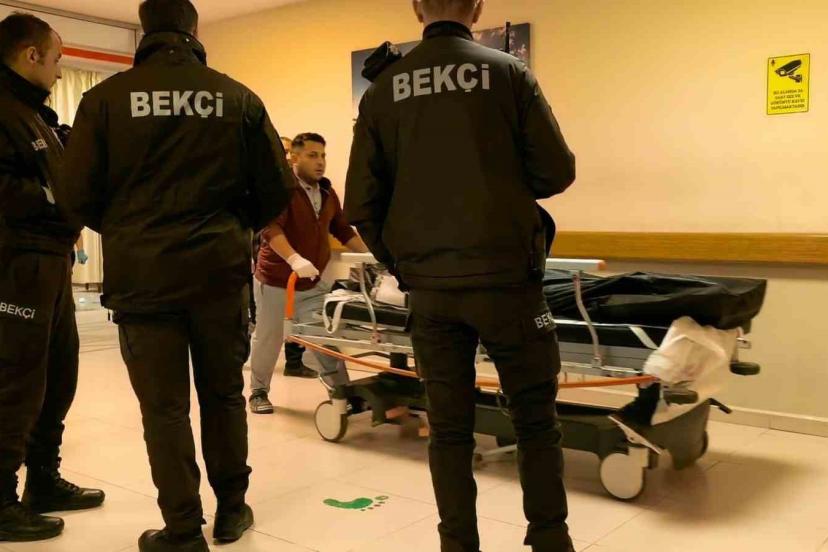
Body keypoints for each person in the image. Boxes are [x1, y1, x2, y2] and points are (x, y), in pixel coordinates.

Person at [54, 1, 293, 550]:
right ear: (193, 28)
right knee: (223, 396)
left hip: (143, 277)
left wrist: (127, 228)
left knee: (163, 410)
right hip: (218, 274)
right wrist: (231, 226)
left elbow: (74, 192)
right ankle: (231, 510)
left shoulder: (105, 100)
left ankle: (183, 529)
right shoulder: (236, 97)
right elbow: (275, 187)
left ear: (145, 30)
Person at [344, 1, 577, 551]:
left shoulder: (382, 89)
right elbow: (555, 172)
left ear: (416, 8)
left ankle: (457, 543)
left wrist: (405, 266)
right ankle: (549, 538)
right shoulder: (508, 72)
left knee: (448, 431)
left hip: (432, 291)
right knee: (536, 422)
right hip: (509, 282)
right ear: (477, 7)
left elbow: (361, 204)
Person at [0, 12, 105, 543]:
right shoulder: (3, 111)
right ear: (31, 55)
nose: (60, 71)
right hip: (14, 267)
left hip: (50, 260)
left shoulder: (33, 114)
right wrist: (61, 201)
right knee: (14, 381)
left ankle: (43, 479)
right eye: (57, 59)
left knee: (58, 375)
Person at [248, 132, 369, 415]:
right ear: (294, 157)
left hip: (313, 283)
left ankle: (342, 392)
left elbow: (342, 229)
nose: (320, 162)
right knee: (269, 338)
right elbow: (271, 229)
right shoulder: (282, 190)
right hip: (278, 281)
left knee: (325, 336)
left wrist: (369, 257)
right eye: (312, 155)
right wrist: (294, 259)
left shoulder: (326, 192)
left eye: (323, 155)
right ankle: (258, 391)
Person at [278, 136, 312, 377]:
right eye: (284, 151)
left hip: (297, 261)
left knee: (296, 313)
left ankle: (294, 363)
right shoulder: (272, 182)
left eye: (291, 152)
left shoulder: (302, 187)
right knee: (262, 321)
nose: (288, 157)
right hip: (268, 261)